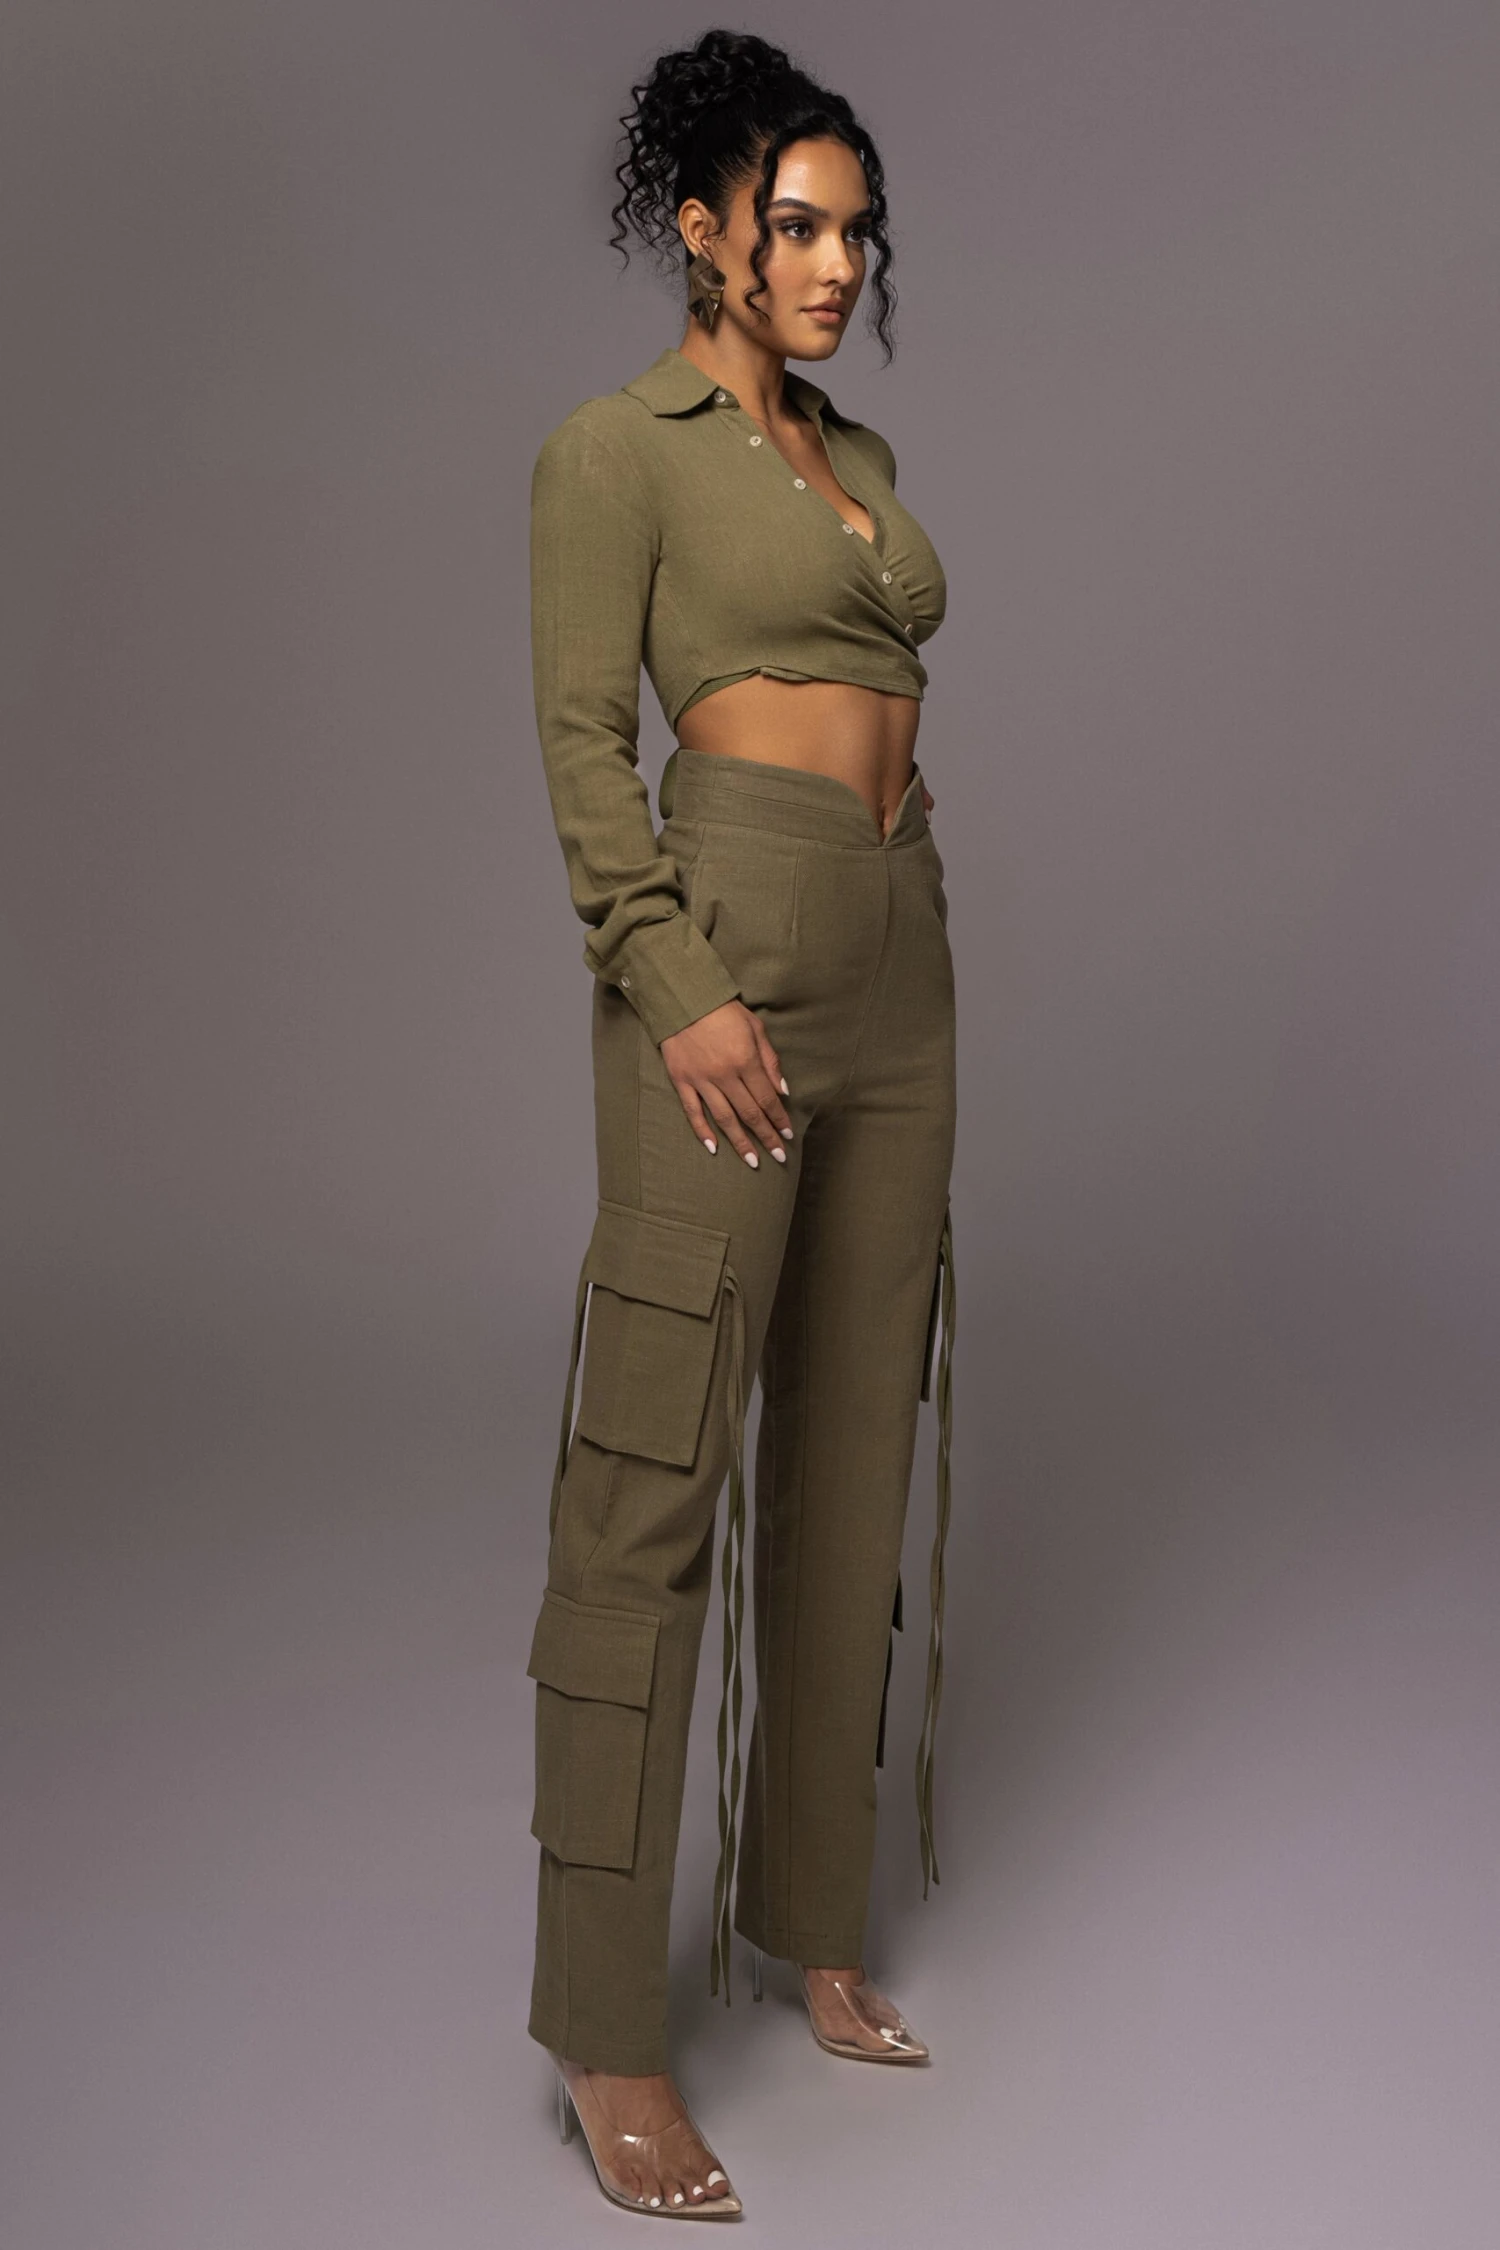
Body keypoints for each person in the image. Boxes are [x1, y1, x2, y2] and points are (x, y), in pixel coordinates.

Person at [524, 27, 957, 2219]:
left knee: (854, 1449)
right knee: (655, 1469)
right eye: (795, 224)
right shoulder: (618, 450)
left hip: (900, 950)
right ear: (702, 230)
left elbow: (880, 702)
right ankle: (607, 2029)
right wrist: (675, 974)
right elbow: (584, 746)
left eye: (855, 229)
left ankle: (810, 1921)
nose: (834, 262)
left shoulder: (852, 453)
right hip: (730, 947)